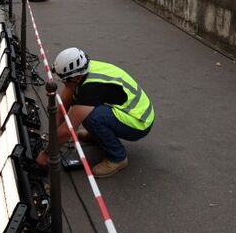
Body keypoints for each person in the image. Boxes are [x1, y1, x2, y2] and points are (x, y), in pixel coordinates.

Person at [38, 47, 155, 178]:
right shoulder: (82, 71)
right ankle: (98, 135)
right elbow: (61, 110)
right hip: (131, 110)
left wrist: (47, 153)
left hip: (139, 122)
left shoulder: (91, 89)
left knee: (91, 117)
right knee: (84, 111)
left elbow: (68, 129)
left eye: (65, 80)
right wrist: (52, 137)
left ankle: (118, 158)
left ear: (77, 78)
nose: (63, 83)